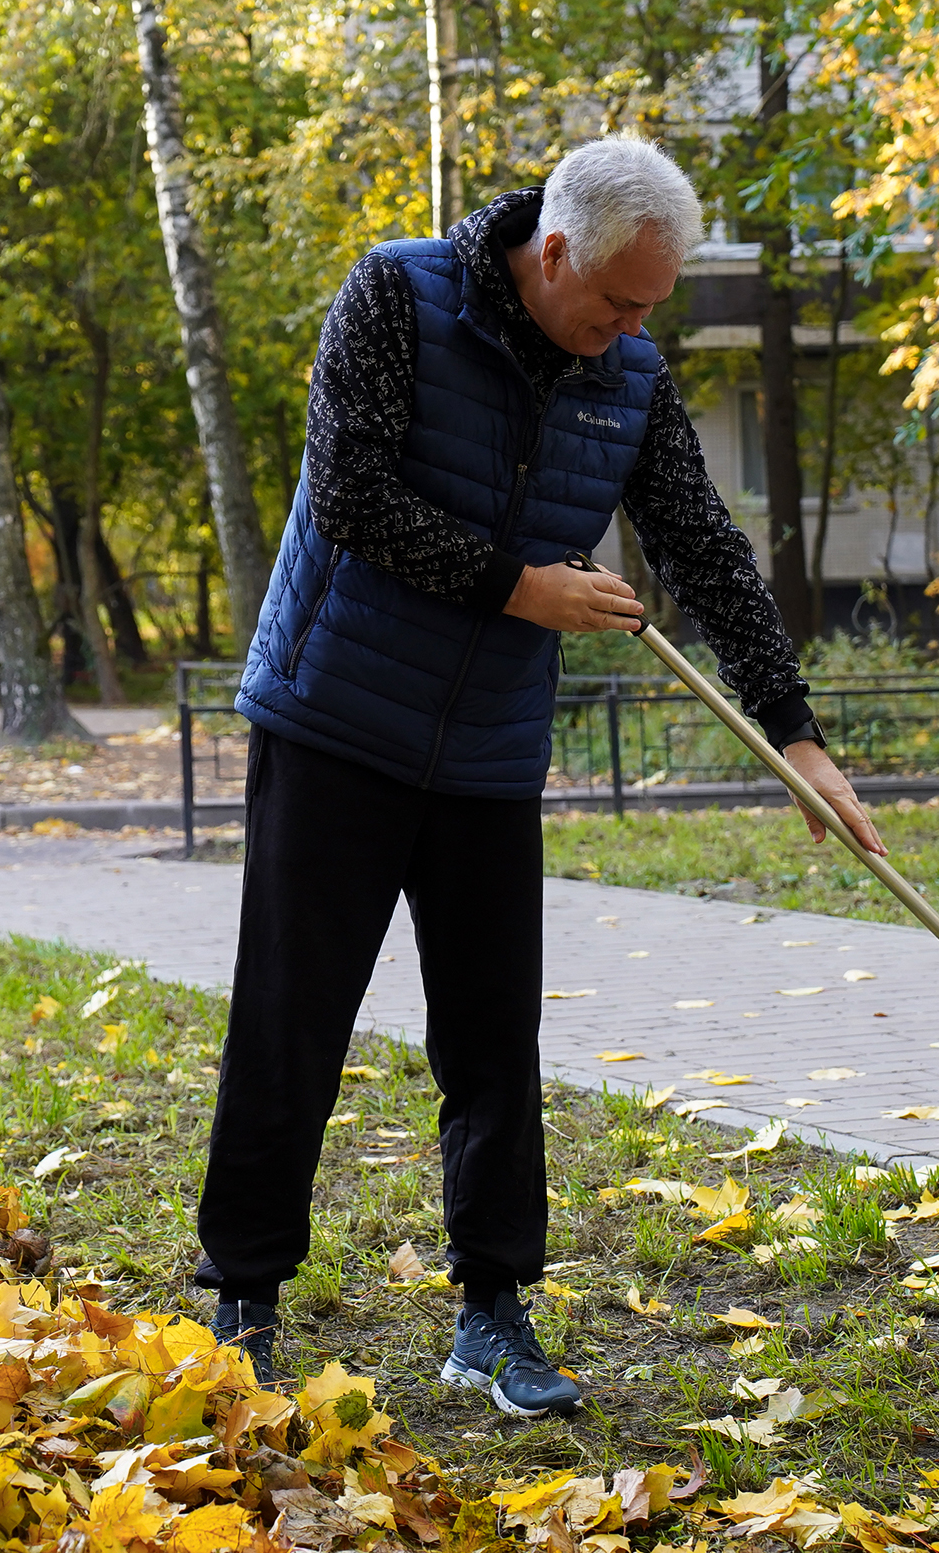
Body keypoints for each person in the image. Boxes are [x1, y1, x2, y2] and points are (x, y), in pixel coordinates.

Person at [198, 135, 885, 1416]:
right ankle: (242, 1298)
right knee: (292, 1019)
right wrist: (521, 587)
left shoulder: (624, 371)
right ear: (552, 250)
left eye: (650, 309)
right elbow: (346, 491)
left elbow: (703, 545)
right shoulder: (396, 296)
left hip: (485, 756)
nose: (629, 329)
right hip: (334, 718)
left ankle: (493, 1312)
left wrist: (795, 735)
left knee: (493, 1043)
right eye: (617, 300)